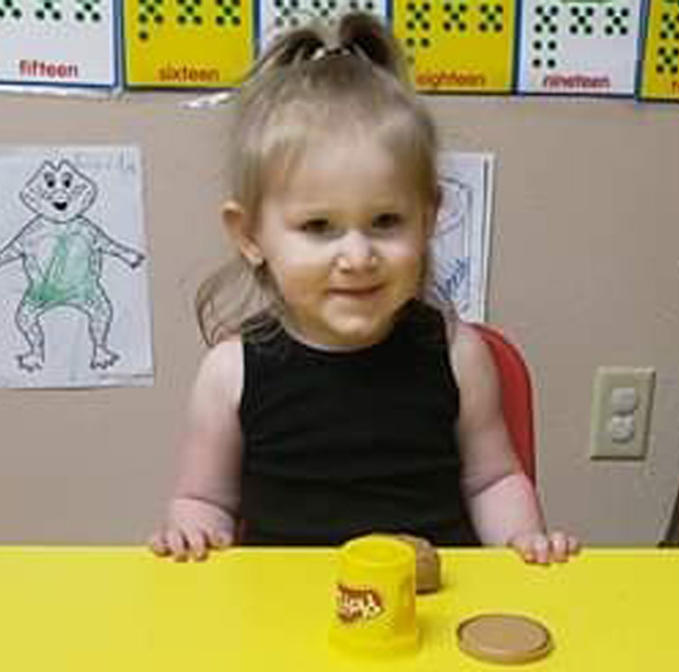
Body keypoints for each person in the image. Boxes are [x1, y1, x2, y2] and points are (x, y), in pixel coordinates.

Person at [149, 12, 579, 564]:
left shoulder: (458, 355)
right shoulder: (229, 374)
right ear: (249, 234)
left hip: (432, 616)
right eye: (319, 227)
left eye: (385, 221)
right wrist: (193, 532)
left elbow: (491, 481)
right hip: (281, 626)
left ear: (428, 220)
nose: (357, 257)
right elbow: (202, 497)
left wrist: (524, 543)